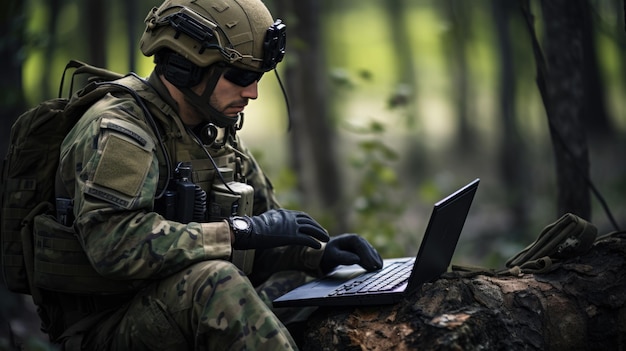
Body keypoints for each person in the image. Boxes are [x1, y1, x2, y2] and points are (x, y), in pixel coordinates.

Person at [38, 0, 383, 350]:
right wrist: (238, 231)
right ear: (185, 66)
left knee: (305, 284)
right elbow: (113, 246)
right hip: (108, 325)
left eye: (258, 77)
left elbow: (261, 235)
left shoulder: (214, 133)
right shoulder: (120, 131)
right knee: (217, 282)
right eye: (241, 77)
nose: (253, 92)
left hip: (177, 305)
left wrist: (317, 255)